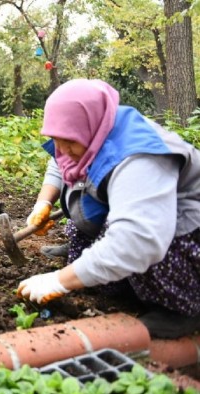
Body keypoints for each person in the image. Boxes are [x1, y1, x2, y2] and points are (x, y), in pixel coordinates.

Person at [17, 79, 200, 339]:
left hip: (186, 226)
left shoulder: (139, 158)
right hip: (144, 216)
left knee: (138, 241)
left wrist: (60, 280)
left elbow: (139, 239)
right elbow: (60, 161)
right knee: (91, 220)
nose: (61, 149)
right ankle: (120, 280)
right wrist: (43, 202)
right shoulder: (93, 129)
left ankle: (181, 309)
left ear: (88, 127)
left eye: (68, 141)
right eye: (55, 139)